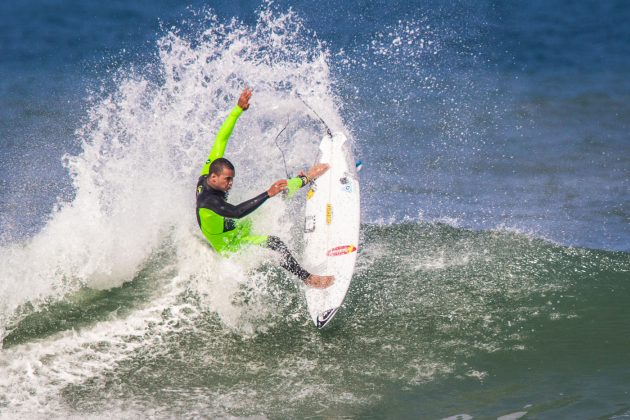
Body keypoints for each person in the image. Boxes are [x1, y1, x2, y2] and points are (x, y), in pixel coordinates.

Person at [196, 88, 334, 289]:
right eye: (227, 180)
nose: (230, 184)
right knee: (275, 242)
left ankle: (306, 178)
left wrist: (237, 110)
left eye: (232, 179)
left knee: (277, 195)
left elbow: (221, 140)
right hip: (231, 245)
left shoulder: (211, 169)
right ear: (214, 177)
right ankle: (308, 279)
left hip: (233, 227)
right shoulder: (208, 201)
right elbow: (236, 212)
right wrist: (267, 193)